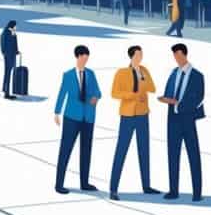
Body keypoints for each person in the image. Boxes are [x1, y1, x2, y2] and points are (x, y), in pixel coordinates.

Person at [109, 45, 160, 200]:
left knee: (144, 149)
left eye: (141, 54)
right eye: (138, 55)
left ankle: (146, 185)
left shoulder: (144, 71)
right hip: (128, 115)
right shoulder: (122, 73)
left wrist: (144, 81)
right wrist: (132, 95)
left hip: (143, 114)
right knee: (121, 149)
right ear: (131, 56)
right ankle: (113, 189)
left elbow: (153, 88)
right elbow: (114, 93)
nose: (140, 57)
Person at [53, 45, 102, 194]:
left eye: (87, 59)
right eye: (83, 58)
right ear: (78, 57)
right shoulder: (68, 75)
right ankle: (59, 184)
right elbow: (62, 93)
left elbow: (98, 91)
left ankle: (84, 183)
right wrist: (57, 112)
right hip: (72, 117)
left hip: (88, 117)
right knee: (65, 150)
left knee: (86, 150)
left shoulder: (91, 74)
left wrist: (96, 97)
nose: (85, 61)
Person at [160, 42, 205, 201]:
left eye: (178, 56)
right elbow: (169, 90)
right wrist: (166, 99)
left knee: (193, 155)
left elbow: (198, 98)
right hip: (172, 119)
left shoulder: (197, 76)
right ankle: (173, 190)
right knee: (172, 154)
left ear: (185, 55)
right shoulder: (174, 73)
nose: (176, 59)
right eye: (174, 56)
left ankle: (197, 192)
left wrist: (179, 104)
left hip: (188, 119)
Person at [0, 20, 19, 100]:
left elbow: (15, 42)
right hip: (8, 55)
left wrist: (16, 50)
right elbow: (2, 43)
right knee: (8, 73)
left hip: (12, 54)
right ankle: (6, 93)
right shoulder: (5, 32)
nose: (16, 27)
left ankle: (6, 90)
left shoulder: (12, 32)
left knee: (9, 72)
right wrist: (4, 52)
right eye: (15, 25)